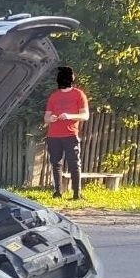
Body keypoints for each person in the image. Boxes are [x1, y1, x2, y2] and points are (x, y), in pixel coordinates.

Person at [44, 66, 90, 199]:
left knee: (74, 163)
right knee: (56, 163)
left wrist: (69, 116)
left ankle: (77, 194)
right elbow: (46, 117)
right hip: (53, 135)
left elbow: (85, 116)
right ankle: (58, 192)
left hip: (70, 135)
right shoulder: (54, 96)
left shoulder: (79, 94)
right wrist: (50, 118)